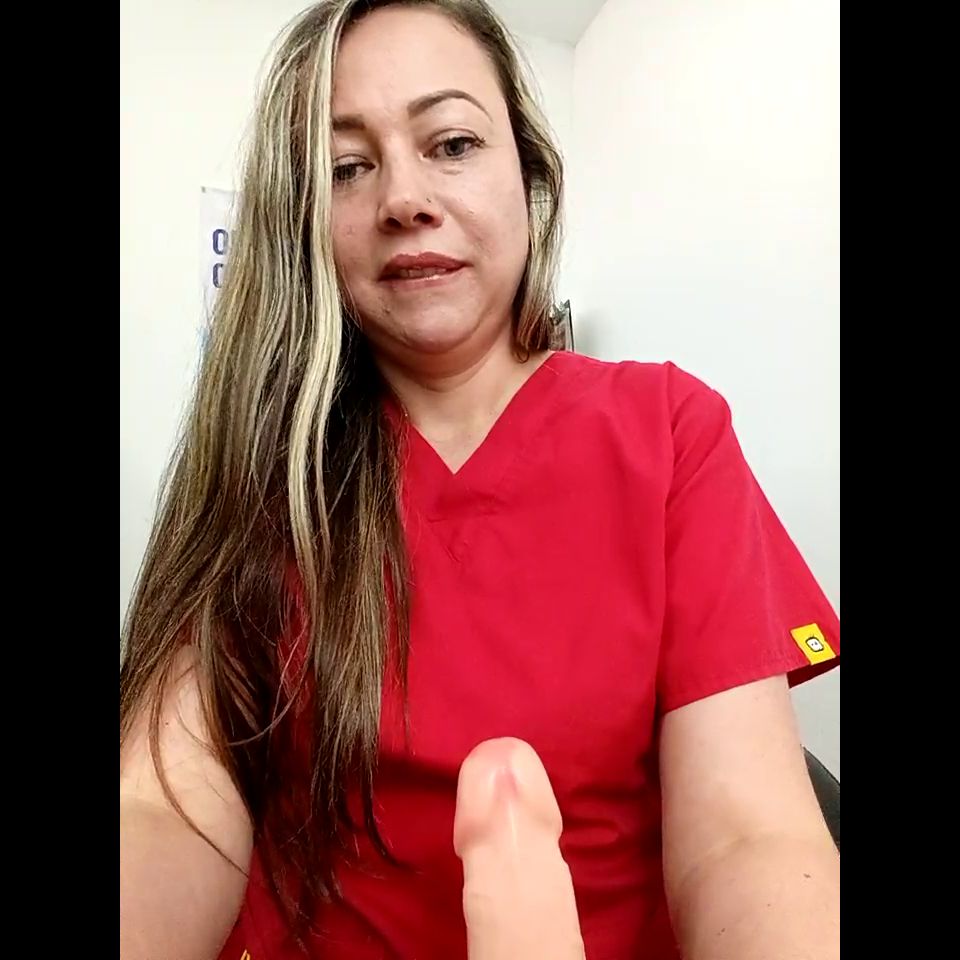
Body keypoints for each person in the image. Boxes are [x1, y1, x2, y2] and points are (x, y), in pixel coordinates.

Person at [119, 1, 841, 958]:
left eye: (452, 144)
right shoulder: (266, 465)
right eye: (346, 167)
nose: (404, 198)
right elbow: (162, 810)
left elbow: (748, 840)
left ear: (529, 177)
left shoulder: (669, 430)